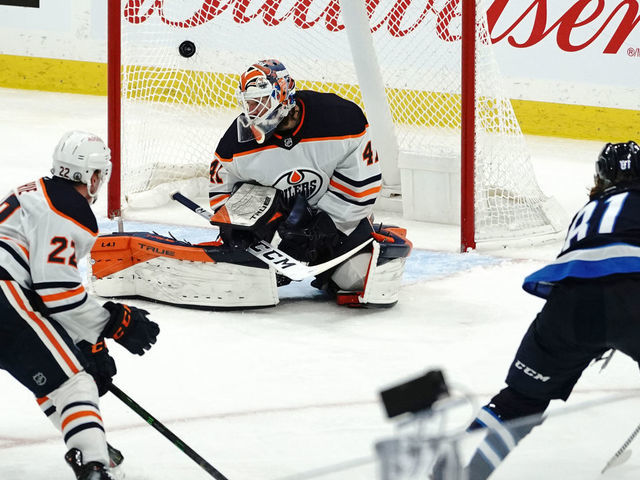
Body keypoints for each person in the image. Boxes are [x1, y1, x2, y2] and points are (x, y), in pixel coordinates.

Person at [463, 141, 640, 479]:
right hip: (634, 301)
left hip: (569, 309)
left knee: (518, 402)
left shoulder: (586, 214)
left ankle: (460, 469)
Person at [0, 131, 160, 480]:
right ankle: (94, 465)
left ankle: (89, 441)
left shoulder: (31, 191)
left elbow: (43, 297)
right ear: (90, 176)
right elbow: (56, 293)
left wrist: (91, 344)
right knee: (73, 382)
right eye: (100, 173)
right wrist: (116, 321)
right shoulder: (68, 209)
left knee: (49, 376)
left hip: (8, 295)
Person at [208, 59, 409, 307]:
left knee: (357, 278)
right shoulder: (235, 143)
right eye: (248, 102)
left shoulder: (341, 119)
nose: (251, 110)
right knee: (242, 276)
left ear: (281, 94)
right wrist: (235, 229)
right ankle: (256, 259)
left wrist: (326, 227)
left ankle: (344, 257)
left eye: (258, 100)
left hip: (332, 226)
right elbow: (222, 191)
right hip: (276, 226)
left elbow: (362, 185)